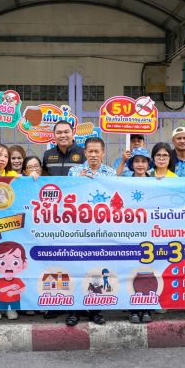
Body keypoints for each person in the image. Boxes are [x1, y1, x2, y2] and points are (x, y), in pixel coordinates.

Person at [65, 136, 113, 326]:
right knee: (76, 268)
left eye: (96, 151)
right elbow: (67, 195)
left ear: (103, 153)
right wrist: (79, 182)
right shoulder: (74, 171)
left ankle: (95, 310)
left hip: (101, 229)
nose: (93, 155)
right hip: (78, 228)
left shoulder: (110, 173)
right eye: (90, 151)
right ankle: (74, 311)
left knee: (96, 269)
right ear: (84, 152)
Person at [125, 147, 155, 324]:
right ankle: (133, 309)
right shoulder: (123, 182)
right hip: (130, 233)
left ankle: (148, 307)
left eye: (143, 161)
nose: (140, 164)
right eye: (136, 161)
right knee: (131, 271)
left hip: (151, 233)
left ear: (148, 164)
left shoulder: (157, 182)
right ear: (132, 164)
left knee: (149, 271)